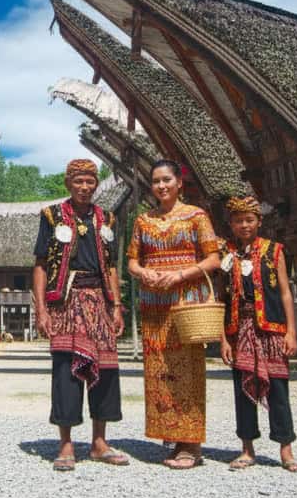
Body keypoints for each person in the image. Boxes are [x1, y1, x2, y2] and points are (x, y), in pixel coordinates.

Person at [32, 158, 128, 471]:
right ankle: (66, 444)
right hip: (65, 301)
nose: (84, 187)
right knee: (66, 371)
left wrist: (117, 306)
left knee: (106, 370)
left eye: (89, 181)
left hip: (100, 301)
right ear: (68, 184)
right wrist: (41, 309)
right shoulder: (52, 216)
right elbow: (40, 264)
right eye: (78, 181)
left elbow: (111, 266)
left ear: (96, 184)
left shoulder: (107, 219)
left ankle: (100, 443)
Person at [126, 159, 221, 469]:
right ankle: (172, 436)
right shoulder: (143, 221)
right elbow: (132, 261)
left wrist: (180, 274)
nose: (161, 186)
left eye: (167, 179)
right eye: (156, 181)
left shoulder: (196, 216)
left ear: (179, 182)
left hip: (185, 302)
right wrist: (143, 273)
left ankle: (191, 444)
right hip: (153, 303)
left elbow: (213, 259)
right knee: (160, 371)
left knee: (188, 370)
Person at [218, 195, 297, 473]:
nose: (244, 225)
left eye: (249, 220)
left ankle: (286, 449)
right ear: (231, 224)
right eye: (238, 221)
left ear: (258, 221)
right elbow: (220, 298)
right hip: (239, 329)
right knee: (242, 391)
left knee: (278, 388)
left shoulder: (275, 251)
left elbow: (285, 292)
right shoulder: (226, 253)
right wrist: (223, 338)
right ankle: (247, 449)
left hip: (271, 330)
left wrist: (291, 332)